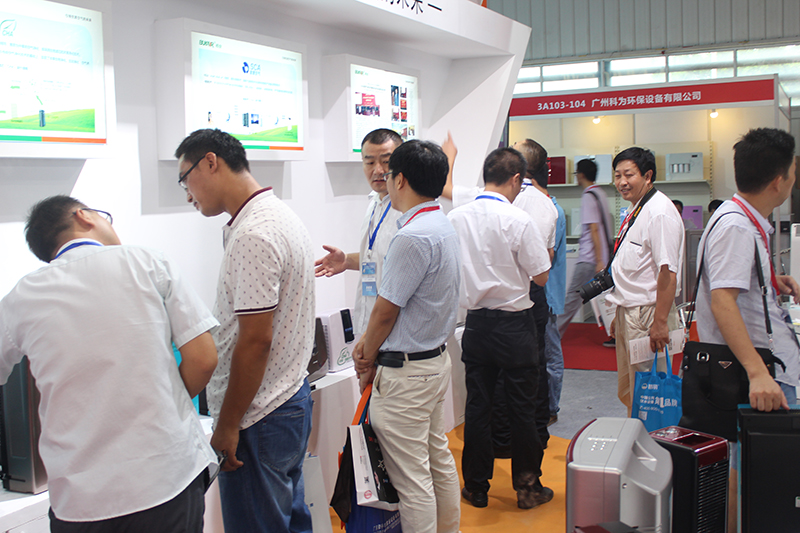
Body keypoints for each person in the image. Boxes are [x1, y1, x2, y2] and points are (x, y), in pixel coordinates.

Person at [0, 195, 219, 532]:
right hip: (164, 478)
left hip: (79, 500)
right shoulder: (147, 262)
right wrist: (162, 403)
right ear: (84, 216)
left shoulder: (22, 296)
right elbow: (203, 359)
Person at [175, 129, 315, 533]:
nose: (188, 195)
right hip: (286, 399)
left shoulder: (254, 233)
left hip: (258, 416)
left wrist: (227, 424)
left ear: (210, 162)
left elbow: (255, 341)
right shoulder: (278, 215)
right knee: (290, 519)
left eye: (185, 179)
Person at [353, 140, 461, 533]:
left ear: (400, 180)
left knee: (413, 481)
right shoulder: (441, 224)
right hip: (432, 362)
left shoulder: (412, 236)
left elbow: (385, 312)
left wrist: (365, 353)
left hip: (406, 374)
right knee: (437, 461)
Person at [449, 147, 554, 510]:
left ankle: (476, 487)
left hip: (476, 325)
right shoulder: (518, 219)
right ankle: (527, 489)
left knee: (478, 406)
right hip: (515, 327)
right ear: (515, 179)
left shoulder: (456, 218)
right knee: (523, 409)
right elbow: (541, 276)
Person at [696, 128, 800, 408]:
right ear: (778, 182)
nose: (794, 179)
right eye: (792, 172)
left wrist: (769, 280)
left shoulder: (736, 217)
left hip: (764, 368)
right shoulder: (737, 227)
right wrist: (757, 373)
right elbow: (723, 301)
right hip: (758, 375)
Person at [606, 147, 684, 414]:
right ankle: (638, 435)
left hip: (649, 314)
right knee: (632, 390)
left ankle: (653, 438)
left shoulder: (659, 212)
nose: (622, 182)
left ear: (648, 176)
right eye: (617, 175)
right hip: (631, 311)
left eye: (629, 175)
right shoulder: (637, 208)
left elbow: (668, 273)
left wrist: (660, 322)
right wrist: (620, 310)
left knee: (651, 394)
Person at [314, 129, 403, 337]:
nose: (377, 170)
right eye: (369, 162)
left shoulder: (407, 210)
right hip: (369, 327)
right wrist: (347, 261)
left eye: (386, 161)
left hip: (394, 334)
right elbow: (379, 257)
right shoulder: (374, 202)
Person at [557, 158, 612, 338]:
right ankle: (615, 333)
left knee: (572, 297)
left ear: (580, 175)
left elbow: (594, 228)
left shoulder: (588, 196)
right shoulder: (600, 193)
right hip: (601, 256)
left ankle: (553, 336)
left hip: (590, 258)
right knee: (608, 299)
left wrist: (598, 260)